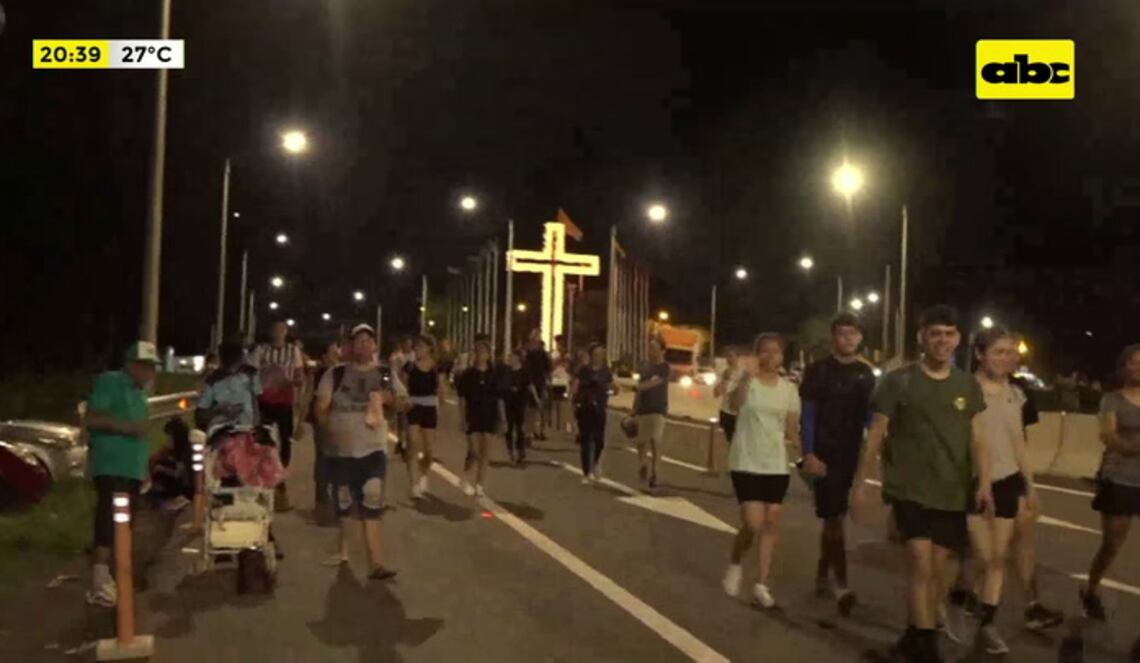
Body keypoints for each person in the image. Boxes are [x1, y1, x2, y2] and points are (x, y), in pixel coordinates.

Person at [851, 305, 994, 663]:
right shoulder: (898, 381)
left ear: (958, 339)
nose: (942, 340)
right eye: (935, 334)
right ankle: (927, 649)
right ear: (922, 338)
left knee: (938, 571)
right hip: (909, 489)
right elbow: (876, 433)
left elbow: (978, 438)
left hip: (952, 490)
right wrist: (861, 481)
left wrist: (984, 482)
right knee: (920, 565)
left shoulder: (967, 385)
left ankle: (913, 638)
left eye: (949, 334)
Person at [798, 313, 876, 615]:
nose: (848, 339)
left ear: (860, 337)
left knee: (836, 517)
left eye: (853, 334)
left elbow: (871, 419)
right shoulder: (818, 370)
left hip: (850, 454)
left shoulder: (865, 375)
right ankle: (841, 584)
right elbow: (808, 414)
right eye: (842, 333)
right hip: (823, 454)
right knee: (834, 519)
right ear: (833, 337)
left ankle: (822, 572)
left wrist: (874, 452)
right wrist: (809, 453)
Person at [315, 324, 406, 579]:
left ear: (375, 346)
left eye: (369, 340)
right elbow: (321, 407)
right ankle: (344, 552)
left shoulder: (385, 374)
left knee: (372, 500)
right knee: (345, 505)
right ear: (351, 346)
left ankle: (377, 564)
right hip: (341, 452)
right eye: (359, 340)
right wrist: (329, 432)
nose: (364, 345)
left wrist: (389, 400)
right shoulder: (335, 374)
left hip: (373, 449)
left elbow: (403, 403)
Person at [721, 333, 802, 609]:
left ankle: (761, 584)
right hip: (746, 460)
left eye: (776, 351)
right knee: (753, 523)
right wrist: (746, 377)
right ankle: (735, 563)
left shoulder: (789, 390)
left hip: (775, 464)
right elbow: (734, 406)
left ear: (782, 356)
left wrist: (805, 455)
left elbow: (791, 428)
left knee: (771, 523)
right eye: (764, 351)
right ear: (757, 355)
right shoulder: (748, 383)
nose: (770, 356)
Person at [83, 341, 161, 607]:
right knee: (108, 518)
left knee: (125, 523)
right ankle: (100, 579)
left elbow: (142, 434)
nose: (150, 373)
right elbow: (92, 419)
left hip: (132, 469)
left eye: (153, 367)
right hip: (111, 464)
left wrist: (144, 468)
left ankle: (119, 575)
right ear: (130, 365)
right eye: (145, 367)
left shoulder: (140, 394)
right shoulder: (111, 382)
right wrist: (126, 427)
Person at [1080, 343, 1140, 621]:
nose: (1139, 368)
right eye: (1134, 362)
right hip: (1119, 479)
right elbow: (1110, 437)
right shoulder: (1111, 400)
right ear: (1124, 367)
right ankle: (1090, 589)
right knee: (1112, 545)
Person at [251, 321, 305, 511]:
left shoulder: (292, 351)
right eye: (275, 330)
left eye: (281, 330)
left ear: (286, 332)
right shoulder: (262, 350)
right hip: (264, 402)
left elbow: (299, 375)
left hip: (284, 402)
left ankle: (280, 480)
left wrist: (296, 384)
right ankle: (263, 478)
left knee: (285, 442)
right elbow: (252, 373)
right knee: (262, 442)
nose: (278, 333)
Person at [456, 340, 503, 497]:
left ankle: (480, 484)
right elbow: (462, 399)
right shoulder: (468, 375)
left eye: (484, 352)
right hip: (473, 415)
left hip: (489, 414)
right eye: (478, 351)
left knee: (486, 451)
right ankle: (466, 476)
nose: (481, 355)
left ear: (489, 355)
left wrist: (502, 418)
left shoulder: (494, 375)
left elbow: (499, 398)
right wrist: (462, 419)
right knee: (474, 450)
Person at [307, 340, 342, 519]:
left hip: (339, 421)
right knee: (323, 458)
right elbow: (310, 396)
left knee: (337, 459)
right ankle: (322, 500)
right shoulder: (322, 374)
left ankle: (335, 499)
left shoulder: (340, 372)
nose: (336, 355)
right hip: (322, 419)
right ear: (324, 356)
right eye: (332, 352)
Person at [195, 340, 261, 434]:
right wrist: (219, 410)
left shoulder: (251, 374)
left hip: (245, 430)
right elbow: (201, 414)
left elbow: (256, 404)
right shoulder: (214, 379)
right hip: (220, 432)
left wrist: (256, 429)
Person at [405, 336, 442, 499]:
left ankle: (424, 474)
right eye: (416, 347)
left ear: (429, 348)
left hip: (429, 406)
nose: (418, 349)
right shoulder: (410, 366)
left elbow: (440, 388)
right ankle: (413, 484)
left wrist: (441, 406)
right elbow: (403, 385)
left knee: (429, 450)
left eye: (421, 346)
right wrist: (404, 400)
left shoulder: (435, 367)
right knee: (413, 444)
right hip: (413, 405)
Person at [573, 343, 614, 482]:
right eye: (596, 354)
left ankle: (595, 462)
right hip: (585, 408)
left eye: (601, 354)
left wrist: (614, 389)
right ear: (591, 355)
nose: (599, 357)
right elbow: (576, 385)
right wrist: (574, 400)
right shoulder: (584, 370)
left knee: (599, 440)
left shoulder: (606, 370)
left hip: (600, 408)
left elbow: (612, 384)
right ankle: (586, 472)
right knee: (585, 440)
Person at [635, 336, 670, 488]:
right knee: (641, 441)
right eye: (649, 348)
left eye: (654, 348)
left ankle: (655, 473)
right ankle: (643, 464)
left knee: (655, 440)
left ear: (662, 351)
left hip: (658, 408)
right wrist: (634, 408)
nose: (650, 351)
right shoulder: (645, 367)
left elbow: (654, 383)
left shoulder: (664, 367)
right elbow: (640, 389)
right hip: (644, 409)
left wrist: (640, 387)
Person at [502, 349, 531, 465]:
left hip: (520, 402)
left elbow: (529, 385)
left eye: (512, 357)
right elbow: (503, 386)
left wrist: (535, 399)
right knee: (509, 428)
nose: (510, 359)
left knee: (520, 428)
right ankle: (510, 450)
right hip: (509, 402)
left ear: (518, 358)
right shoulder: (507, 372)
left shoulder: (524, 372)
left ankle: (520, 450)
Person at [525, 336, 552, 442]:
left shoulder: (540, 355)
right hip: (535, 383)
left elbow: (548, 369)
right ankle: (534, 431)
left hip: (539, 383)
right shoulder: (530, 355)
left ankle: (538, 430)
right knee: (534, 409)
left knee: (539, 408)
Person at [714, 346, 744, 443]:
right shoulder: (723, 373)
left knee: (738, 442)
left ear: (738, 357)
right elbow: (716, 394)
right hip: (725, 411)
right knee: (729, 441)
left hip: (738, 413)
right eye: (727, 356)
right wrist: (722, 383)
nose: (729, 359)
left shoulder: (743, 374)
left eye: (731, 356)